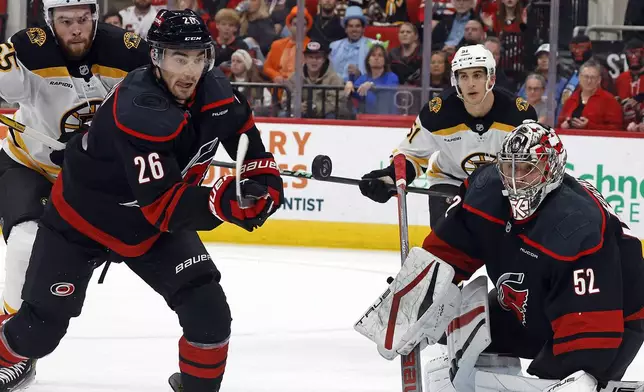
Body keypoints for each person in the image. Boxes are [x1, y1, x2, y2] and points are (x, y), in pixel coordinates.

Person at [0, 8, 283, 392]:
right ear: (155, 57)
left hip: (149, 227)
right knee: (39, 332)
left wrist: (265, 186)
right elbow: (162, 206)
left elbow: (252, 150)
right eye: (178, 58)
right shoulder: (138, 109)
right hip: (83, 222)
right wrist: (222, 202)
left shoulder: (217, 92)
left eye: (199, 58)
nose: (189, 71)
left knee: (209, 313)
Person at [422, 121, 644, 384]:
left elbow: (591, 331)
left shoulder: (576, 224)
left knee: (572, 381)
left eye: (527, 168)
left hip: (613, 314)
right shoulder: (487, 189)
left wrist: (555, 379)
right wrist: (417, 296)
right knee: (457, 331)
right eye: (509, 166)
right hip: (539, 302)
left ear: (551, 169)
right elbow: (449, 249)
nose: (515, 178)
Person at [0, 0, 150, 383]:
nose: (76, 29)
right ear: (50, 21)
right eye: (65, 21)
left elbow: (152, 110)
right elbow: (7, 86)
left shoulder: (126, 51)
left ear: (95, 17)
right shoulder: (28, 47)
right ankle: (12, 350)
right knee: (24, 240)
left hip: (90, 179)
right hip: (29, 165)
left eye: (83, 19)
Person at [358, 44, 537, 228]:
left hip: (501, 185)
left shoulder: (518, 115)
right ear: (455, 80)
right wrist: (390, 177)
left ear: (490, 78)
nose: (470, 83)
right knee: (446, 239)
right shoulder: (437, 112)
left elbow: (532, 163)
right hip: (450, 180)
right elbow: (412, 155)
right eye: (463, 76)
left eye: (477, 75)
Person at [558, 60, 624, 131]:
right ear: (579, 78)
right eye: (586, 77)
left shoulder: (609, 100)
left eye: (593, 77)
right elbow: (559, 124)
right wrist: (563, 126)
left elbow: (617, 128)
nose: (589, 81)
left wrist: (589, 126)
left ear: (599, 80)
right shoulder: (571, 99)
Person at [345, 43, 399, 115]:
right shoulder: (364, 78)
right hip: (367, 119)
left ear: (385, 61)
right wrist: (350, 82)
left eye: (380, 55)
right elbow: (355, 93)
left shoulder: (392, 77)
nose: (376, 58)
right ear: (368, 60)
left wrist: (371, 85)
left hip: (387, 117)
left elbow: (387, 91)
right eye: (373, 55)